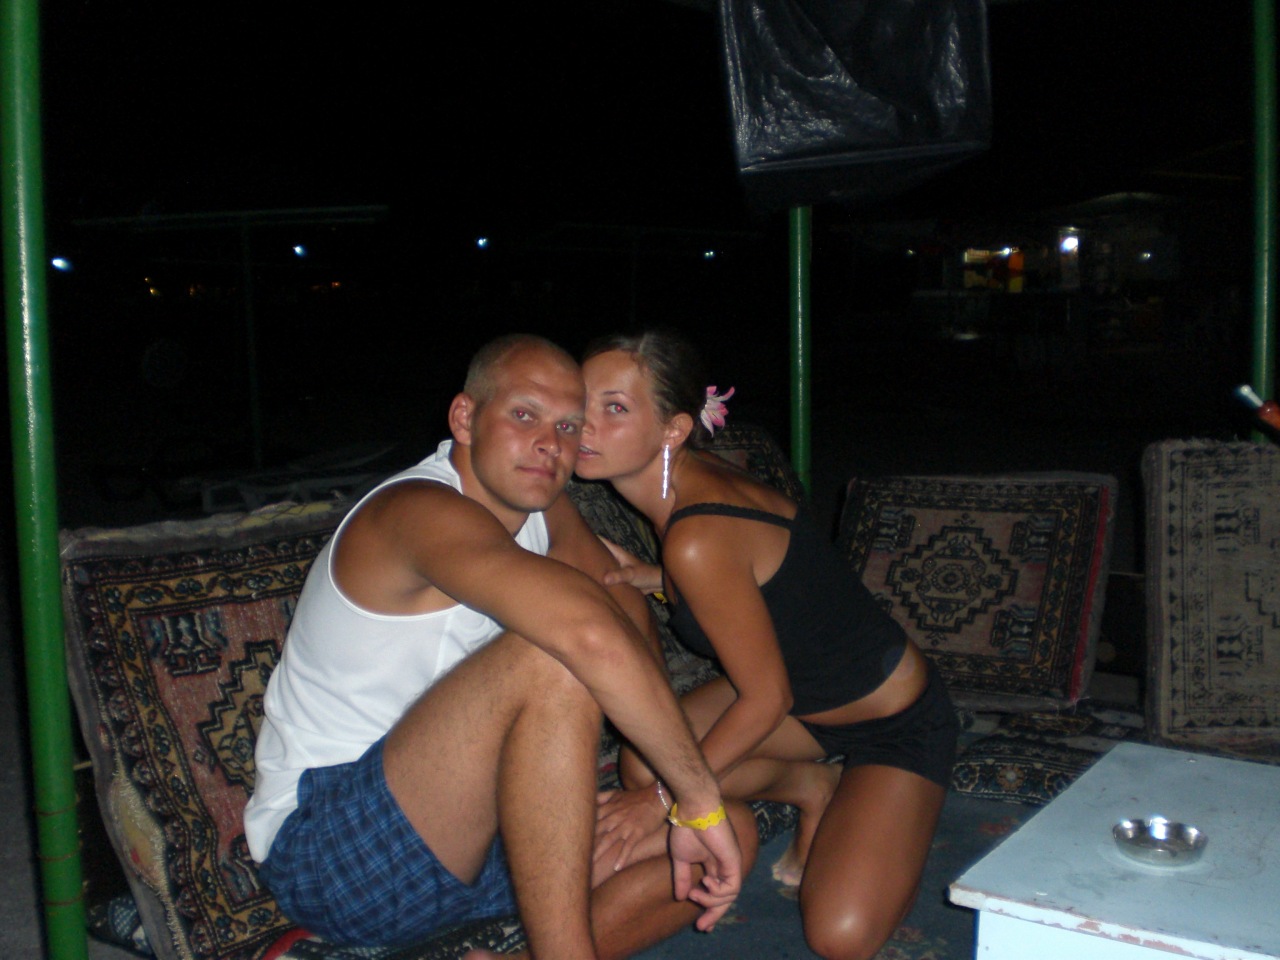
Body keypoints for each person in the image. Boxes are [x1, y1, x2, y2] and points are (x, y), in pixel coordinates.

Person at [243, 334, 757, 960]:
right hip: (337, 853)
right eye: (524, 415)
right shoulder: (415, 510)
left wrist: (648, 787)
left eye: (568, 425)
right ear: (465, 419)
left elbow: (617, 599)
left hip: (475, 840)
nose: (550, 443)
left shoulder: (544, 510)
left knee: (731, 836)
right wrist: (693, 798)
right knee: (548, 658)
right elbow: (586, 633)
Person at [577, 331, 959, 960]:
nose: (583, 423)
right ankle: (812, 787)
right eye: (581, 400)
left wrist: (663, 802)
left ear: (673, 429)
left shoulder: (698, 534)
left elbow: (765, 697)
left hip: (892, 722)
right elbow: (771, 584)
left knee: (838, 938)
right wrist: (659, 580)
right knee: (646, 758)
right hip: (799, 704)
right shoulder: (693, 492)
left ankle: (881, 810)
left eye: (614, 407)